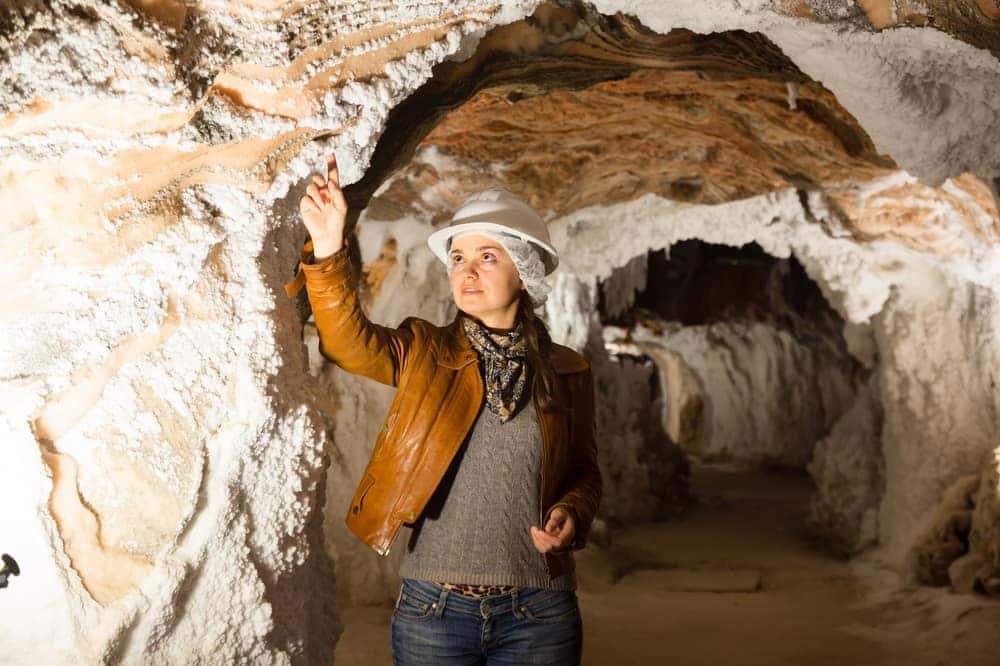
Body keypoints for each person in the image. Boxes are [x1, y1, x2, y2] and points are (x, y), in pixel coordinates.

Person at [285, 153, 602, 665]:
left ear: (524, 272)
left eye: (488, 257)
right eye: (457, 258)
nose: (468, 271)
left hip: (540, 610)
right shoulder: (425, 352)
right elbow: (348, 343)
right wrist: (327, 246)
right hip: (435, 608)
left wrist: (571, 512)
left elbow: (585, 471)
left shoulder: (568, 372)